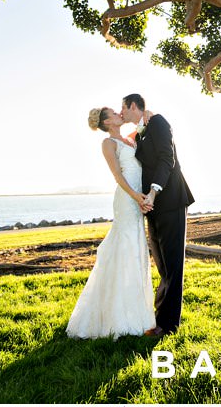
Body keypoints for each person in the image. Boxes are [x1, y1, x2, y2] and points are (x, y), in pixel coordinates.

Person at [66, 108, 155, 339]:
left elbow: (144, 133)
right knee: (124, 248)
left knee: (136, 248)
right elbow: (117, 175)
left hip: (140, 196)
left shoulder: (130, 138)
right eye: (115, 113)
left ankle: (137, 311)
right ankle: (116, 317)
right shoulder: (108, 143)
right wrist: (136, 196)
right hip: (127, 199)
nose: (119, 113)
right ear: (107, 122)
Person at [121, 93, 194, 337]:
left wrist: (153, 192)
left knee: (173, 264)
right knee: (162, 264)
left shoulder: (159, 122)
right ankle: (159, 316)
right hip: (152, 206)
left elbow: (167, 159)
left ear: (134, 105)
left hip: (170, 199)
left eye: (124, 108)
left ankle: (168, 325)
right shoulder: (141, 131)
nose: (122, 113)